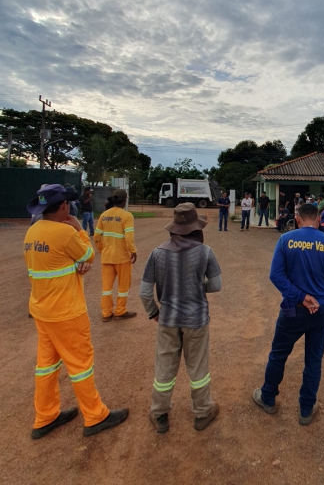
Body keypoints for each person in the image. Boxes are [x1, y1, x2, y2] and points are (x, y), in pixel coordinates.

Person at [24, 184, 128, 439]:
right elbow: (88, 255)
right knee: (81, 364)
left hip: (42, 310)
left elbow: (59, 263)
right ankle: (95, 416)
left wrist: (76, 264)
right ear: (62, 207)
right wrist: (79, 229)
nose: (70, 207)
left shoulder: (32, 232)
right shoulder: (64, 232)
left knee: (46, 366)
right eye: (67, 204)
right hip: (66, 312)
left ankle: (45, 416)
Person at [253, 204, 324, 425]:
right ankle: (306, 409)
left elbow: (276, 275)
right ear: (317, 219)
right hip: (321, 309)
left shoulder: (286, 240)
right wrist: (322, 283)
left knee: (278, 355)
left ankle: (268, 399)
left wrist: (299, 295)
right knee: (313, 361)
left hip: (292, 309)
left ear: (297, 219)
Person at [140, 203, 222, 433]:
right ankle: (203, 412)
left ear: (173, 228)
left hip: (167, 319)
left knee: (165, 368)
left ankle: (159, 413)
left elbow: (145, 291)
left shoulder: (157, 253)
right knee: (198, 368)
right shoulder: (205, 252)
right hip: (196, 319)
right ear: (196, 228)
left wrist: (153, 312)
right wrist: (197, 286)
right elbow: (216, 285)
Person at [94, 189, 138, 322]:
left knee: (106, 287)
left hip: (107, 256)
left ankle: (106, 313)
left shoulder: (104, 215)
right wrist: (133, 251)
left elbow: (96, 236)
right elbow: (129, 237)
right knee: (123, 286)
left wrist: (101, 249)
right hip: (122, 257)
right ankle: (120, 311)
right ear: (125, 200)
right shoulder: (127, 216)